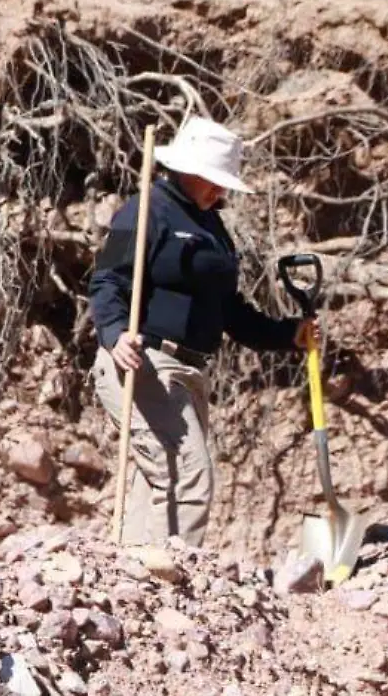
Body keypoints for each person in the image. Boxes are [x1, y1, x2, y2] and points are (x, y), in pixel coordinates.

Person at [88, 116, 315, 547]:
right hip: (145, 363)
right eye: (214, 180)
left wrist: (287, 334)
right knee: (186, 473)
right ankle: (169, 583)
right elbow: (106, 281)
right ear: (188, 170)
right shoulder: (144, 210)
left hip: (190, 371)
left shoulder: (212, 226)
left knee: (159, 477)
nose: (221, 191)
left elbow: (228, 309)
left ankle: (132, 575)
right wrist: (116, 334)